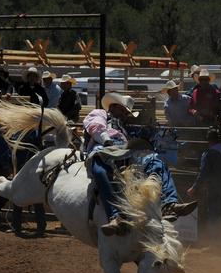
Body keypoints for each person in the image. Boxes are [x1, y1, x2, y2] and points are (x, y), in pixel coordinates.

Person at [83, 92, 197, 235]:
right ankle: (115, 216)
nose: (125, 115)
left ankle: (169, 203)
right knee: (101, 172)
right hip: (103, 151)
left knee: (156, 160)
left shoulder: (125, 128)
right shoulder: (100, 113)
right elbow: (96, 126)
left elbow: (143, 141)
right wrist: (106, 140)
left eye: (126, 112)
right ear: (113, 107)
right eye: (123, 111)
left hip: (126, 153)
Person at [186, 129, 221, 246]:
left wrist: (194, 188)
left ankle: (215, 244)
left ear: (209, 141)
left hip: (215, 189)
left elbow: (203, 173)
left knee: (214, 215)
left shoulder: (208, 154)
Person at [11, 131, 47, 237]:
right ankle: (40, 227)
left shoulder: (18, 136)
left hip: (23, 170)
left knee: (19, 199)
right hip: (30, 170)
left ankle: (17, 226)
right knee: (36, 200)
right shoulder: (34, 135)